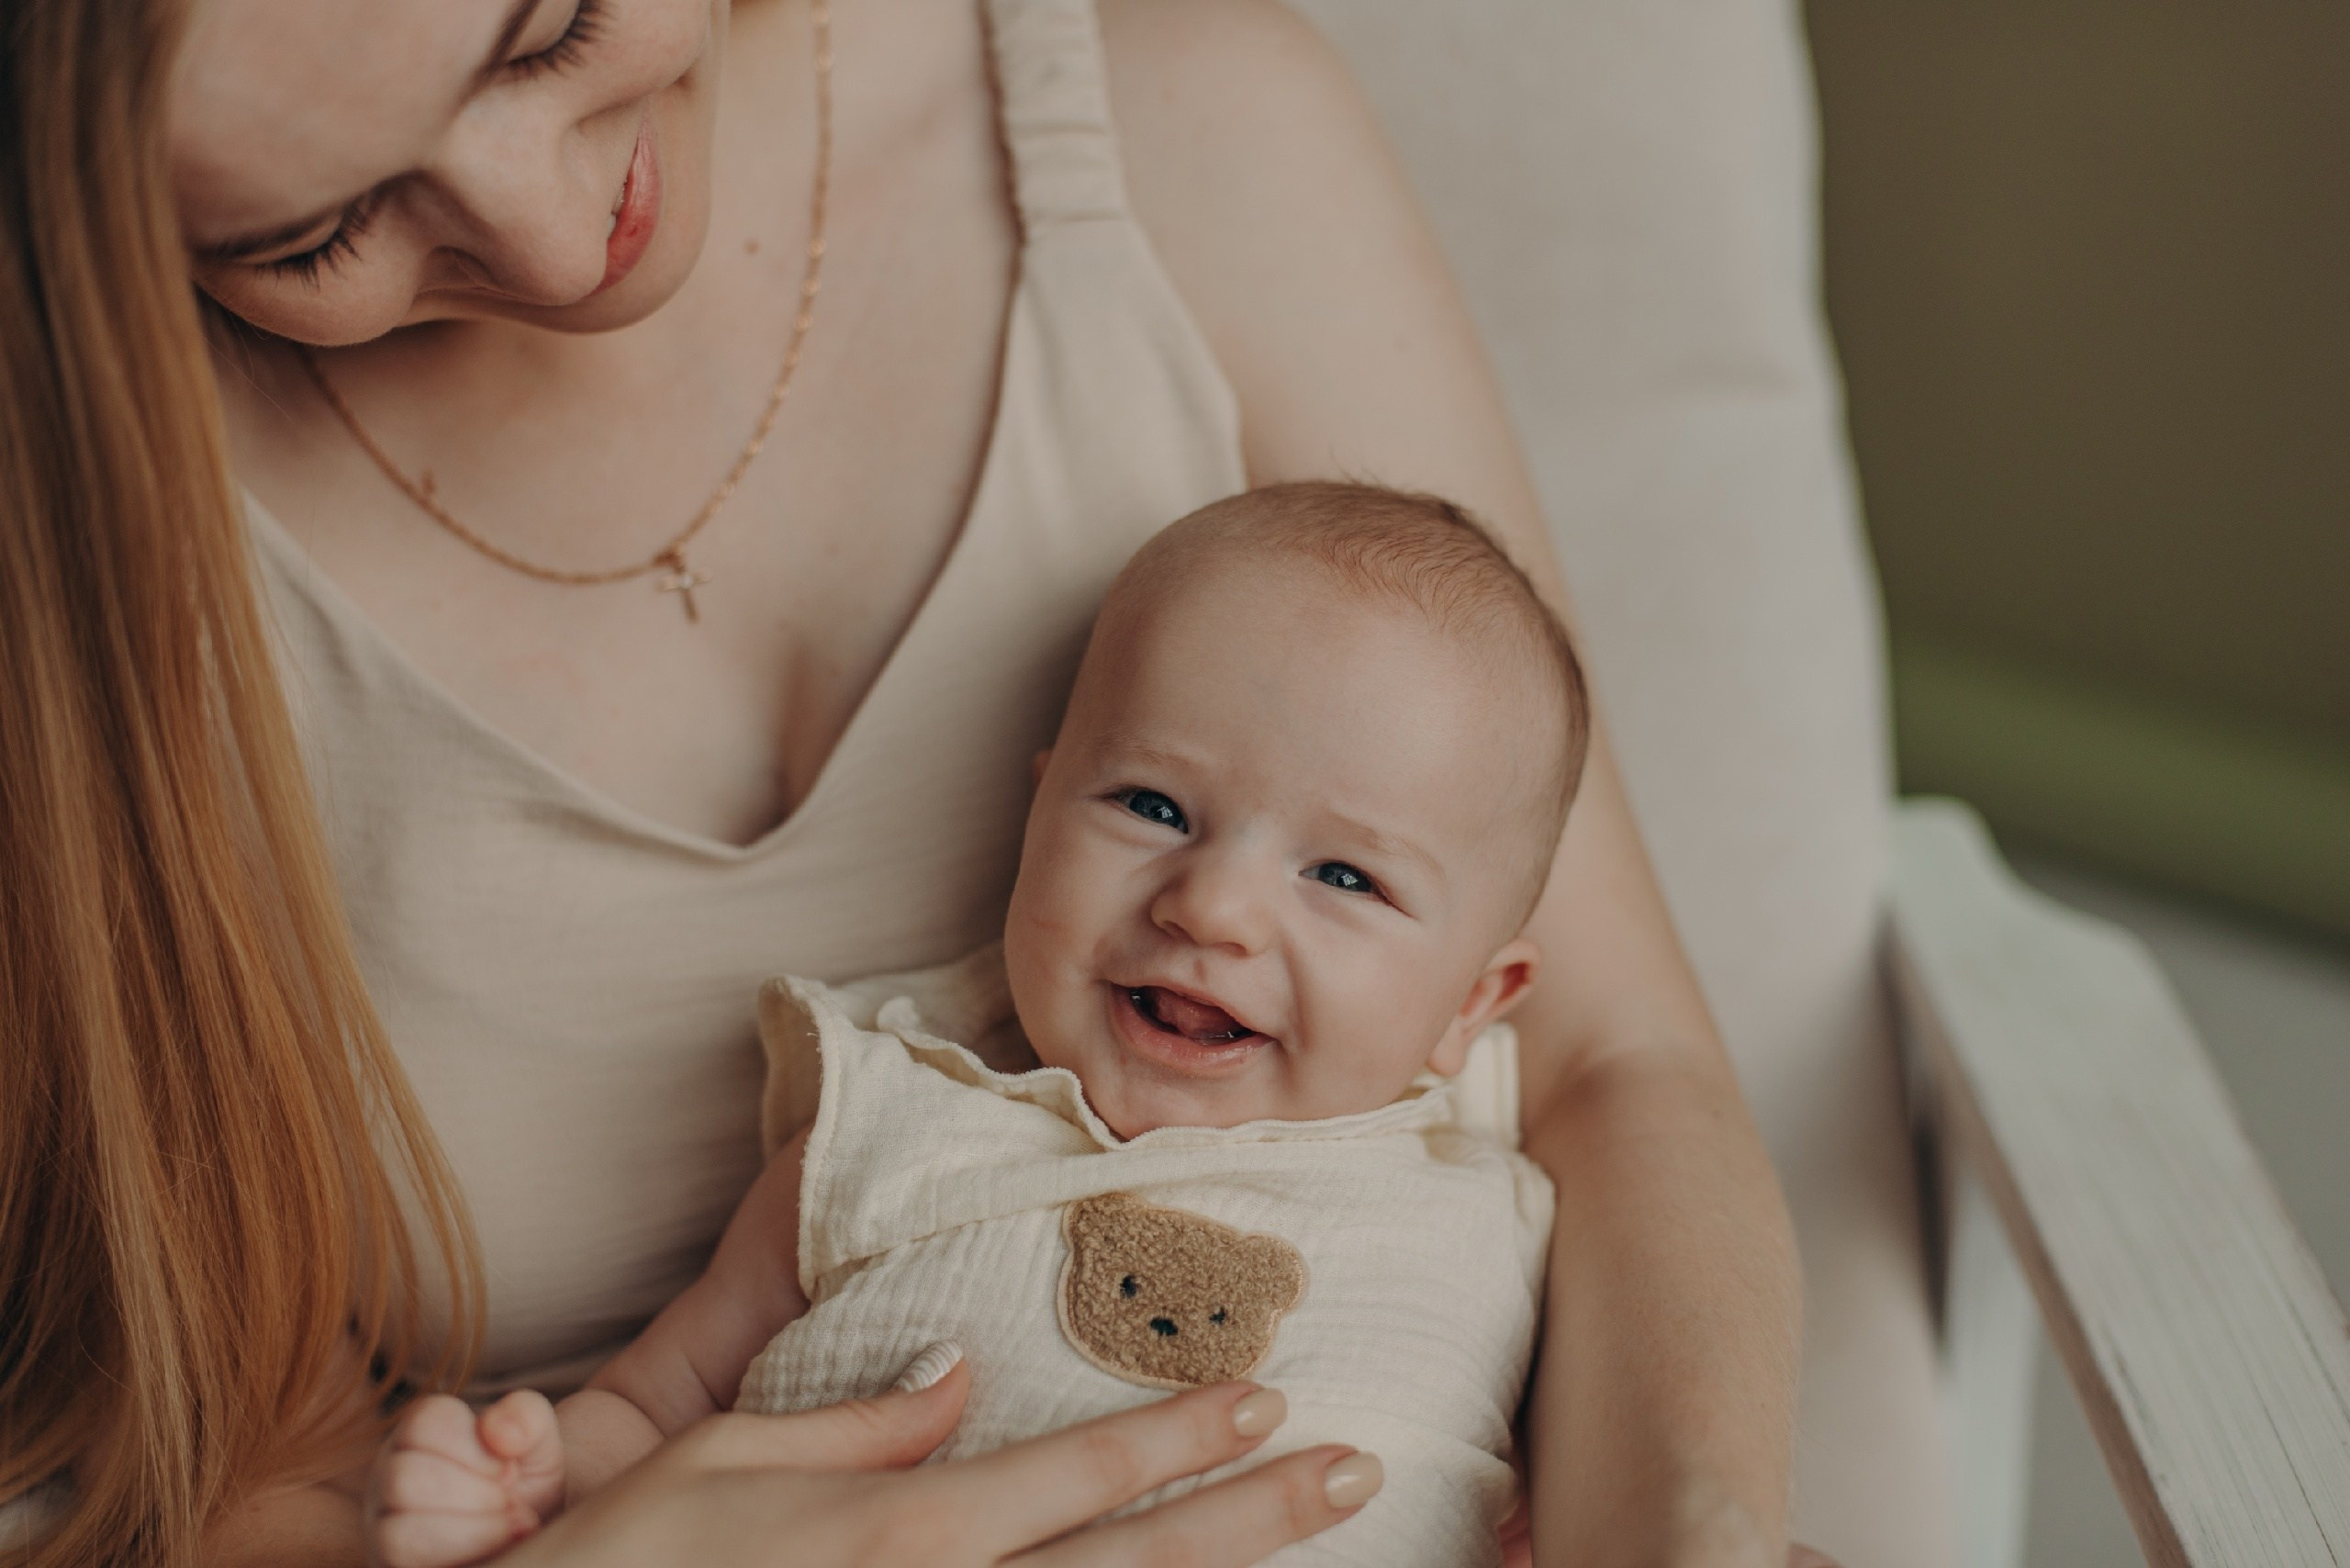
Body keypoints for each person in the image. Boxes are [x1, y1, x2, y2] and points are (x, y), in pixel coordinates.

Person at [0, 0, 1841, 1563]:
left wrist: (1687, 1528)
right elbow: (201, 1432)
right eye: (314, 235)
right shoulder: (68, 521)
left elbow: (1608, 1060)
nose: (558, 241)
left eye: (551, 25)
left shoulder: (1160, 123)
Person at [362, 485, 1576, 1568]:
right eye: (1152, 805)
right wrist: (531, 1488)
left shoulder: (1500, 1217)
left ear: (1472, 1003)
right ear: (1040, 805)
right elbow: (651, 1410)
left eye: (1347, 878)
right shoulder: (888, 1140)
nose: (1212, 905)